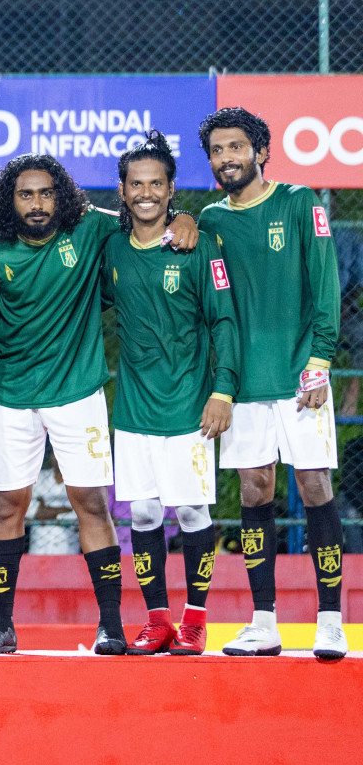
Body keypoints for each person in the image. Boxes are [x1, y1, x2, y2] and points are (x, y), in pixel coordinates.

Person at [0, 154, 197, 655]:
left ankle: (110, 625)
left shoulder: (91, 230)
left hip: (78, 394)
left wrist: (187, 217)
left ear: (62, 196)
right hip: (11, 395)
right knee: (6, 506)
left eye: (46, 192)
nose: (37, 203)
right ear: (10, 199)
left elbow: (144, 211)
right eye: (26, 194)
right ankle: (0, 625)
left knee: (91, 505)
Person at [196, 107, 346, 661]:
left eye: (237, 147)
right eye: (217, 150)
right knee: (256, 493)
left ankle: (330, 620)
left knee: (314, 490)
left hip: (300, 377)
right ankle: (264, 622)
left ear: (261, 151)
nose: (227, 157)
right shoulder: (210, 220)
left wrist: (320, 364)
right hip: (242, 386)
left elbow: (325, 286)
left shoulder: (300, 202)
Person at [105, 131, 238, 656]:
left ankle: (197, 619)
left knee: (191, 515)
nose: (146, 193)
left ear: (170, 188)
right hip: (134, 409)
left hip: (190, 406)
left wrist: (223, 390)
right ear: (122, 190)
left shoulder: (198, 243)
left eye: (156, 183)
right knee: (140, 515)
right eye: (136, 183)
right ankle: (157, 619)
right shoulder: (112, 246)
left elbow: (224, 320)